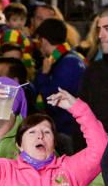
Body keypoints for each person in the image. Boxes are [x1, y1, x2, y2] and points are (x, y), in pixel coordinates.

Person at [33, 18, 86, 146]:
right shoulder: (69, 58)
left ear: (43, 40)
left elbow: (54, 101)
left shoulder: (68, 63)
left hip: (67, 130)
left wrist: (44, 76)